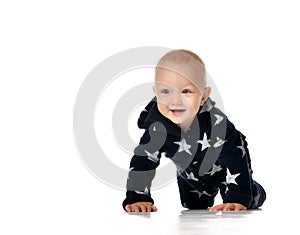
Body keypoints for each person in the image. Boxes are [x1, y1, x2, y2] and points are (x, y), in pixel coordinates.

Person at [122, 49, 266, 212]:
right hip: (190, 176)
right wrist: (138, 198)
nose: (175, 100)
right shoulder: (157, 129)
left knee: (240, 197)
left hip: (225, 169)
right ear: (156, 93)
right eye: (165, 91)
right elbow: (143, 161)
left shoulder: (216, 124)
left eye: (186, 91)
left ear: (203, 96)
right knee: (193, 206)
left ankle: (255, 190)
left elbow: (235, 152)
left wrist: (239, 195)